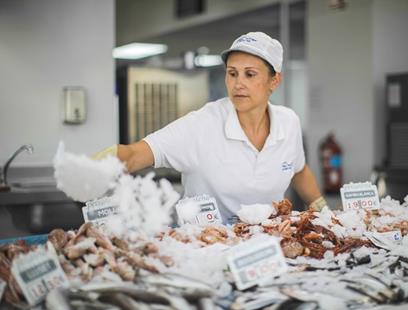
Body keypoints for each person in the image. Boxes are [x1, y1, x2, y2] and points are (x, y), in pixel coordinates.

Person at [95, 31, 328, 223]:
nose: (238, 84)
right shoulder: (202, 124)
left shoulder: (288, 122)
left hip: (265, 248)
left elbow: (298, 169)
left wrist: (323, 211)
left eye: (250, 75)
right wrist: (96, 165)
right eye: (232, 73)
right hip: (205, 250)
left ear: (274, 81)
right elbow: (137, 153)